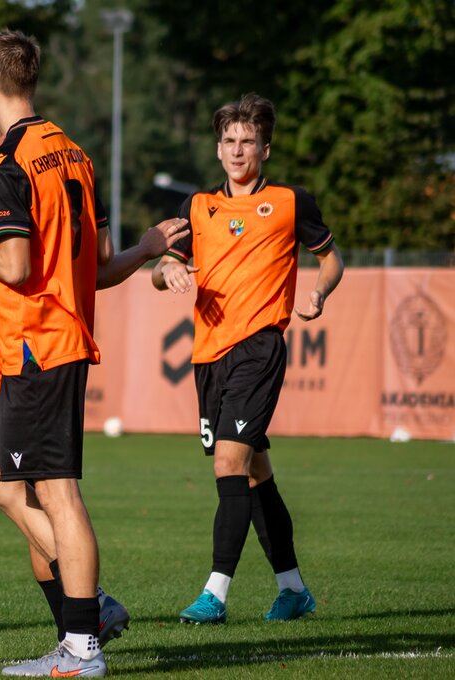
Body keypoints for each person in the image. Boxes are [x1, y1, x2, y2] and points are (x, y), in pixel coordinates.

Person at [0, 98, 177, 670]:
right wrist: (145, 251)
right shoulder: (40, 174)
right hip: (5, 364)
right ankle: (84, 619)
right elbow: (63, 267)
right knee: (23, 495)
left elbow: (4, 265)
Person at [152, 93, 343, 625]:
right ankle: (293, 589)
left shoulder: (290, 201)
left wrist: (319, 293)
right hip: (208, 355)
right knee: (256, 474)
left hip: (259, 347)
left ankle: (214, 594)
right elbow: (162, 269)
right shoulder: (197, 206)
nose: (238, 150)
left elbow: (331, 259)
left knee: (228, 464)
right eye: (230, 141)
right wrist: (167, 270)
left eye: (248, 141)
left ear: (265, 148)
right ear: (218, 149)